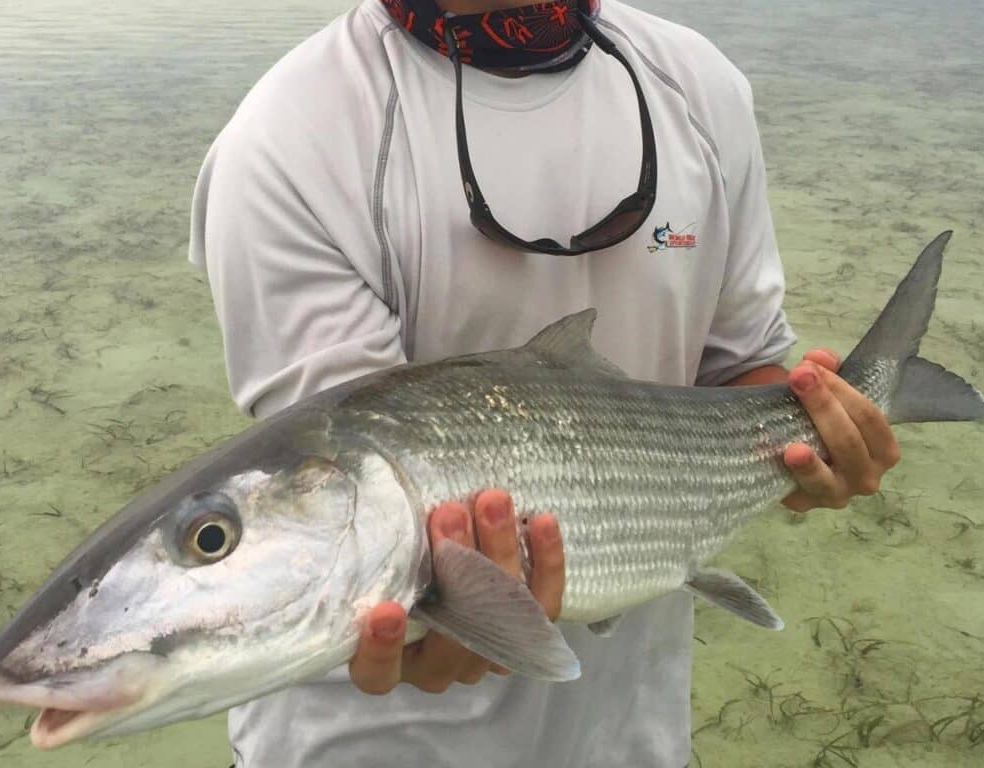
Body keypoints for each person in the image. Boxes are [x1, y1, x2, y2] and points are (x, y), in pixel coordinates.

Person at [188, 0, 900, 765]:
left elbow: (739, 365)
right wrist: (445, 605)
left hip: (634, 733)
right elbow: (351, 506)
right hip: (365, 744)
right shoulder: (288, 141)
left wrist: (810, 443)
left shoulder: (699, 85)